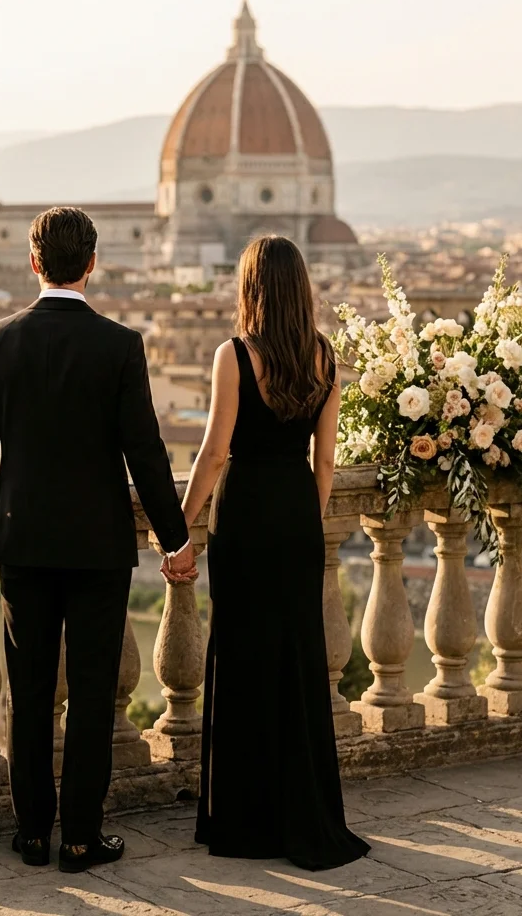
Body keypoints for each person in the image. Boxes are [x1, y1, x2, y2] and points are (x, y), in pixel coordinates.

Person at [0, 206, 193, 873]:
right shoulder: (119, 345)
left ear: (34, 263)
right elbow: (145, 453)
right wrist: (174, 538)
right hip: (98, 546)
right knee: (92, 695)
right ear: (92, 264)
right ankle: (83, 838)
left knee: (30, 692)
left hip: (24, 543)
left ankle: (33, 834)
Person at [165, 234, 370, 871]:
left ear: (251, 288)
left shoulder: (234, 355)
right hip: (296, 514)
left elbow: (213, 454)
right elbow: (325, 460)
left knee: (243, 657)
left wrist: (178, 528)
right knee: (298, 659)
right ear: (300, 288)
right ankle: (303, 808)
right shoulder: (325, 357)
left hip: (247, 514)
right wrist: (305, 518)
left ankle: (244, 818)